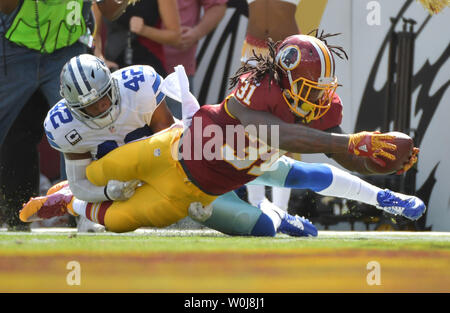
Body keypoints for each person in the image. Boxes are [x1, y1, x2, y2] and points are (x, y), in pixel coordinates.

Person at [20, 34, 424, 236]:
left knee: (291, 193)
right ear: (283, 79)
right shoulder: (255, 87)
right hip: (185, 153)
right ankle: (68, 200)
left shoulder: (321, 106)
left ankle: (384, 199)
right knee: (111, 198)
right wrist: (346, 141)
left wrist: (374, 164)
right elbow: (275, 132)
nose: (320, 98)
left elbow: (336, 154)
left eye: (323, 89)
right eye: (311, 88)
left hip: (226, 176)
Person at [0, 0, 135, 230]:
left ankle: (84, 215)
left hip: (68, 49)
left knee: (83, 129)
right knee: (15, 138)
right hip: (14, 49)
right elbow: (6, 7)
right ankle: (16, 218)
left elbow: (110, 10)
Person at [241, 0, 304, 214]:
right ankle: (256, 207)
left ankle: (281, 210)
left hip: (287, 50)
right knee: (248, 128)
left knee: (285, 127)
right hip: (252, 49)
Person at [163, 0, 227, 119]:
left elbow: (218, 6)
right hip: (134, 62)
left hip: (177, 69)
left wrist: (196, 33)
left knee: (180, 132)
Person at [103, 0, 181, 76]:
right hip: (113, 67)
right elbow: (95, 32)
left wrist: (145, 30)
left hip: (149, 69)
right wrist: (101, 59)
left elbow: (176, 37)